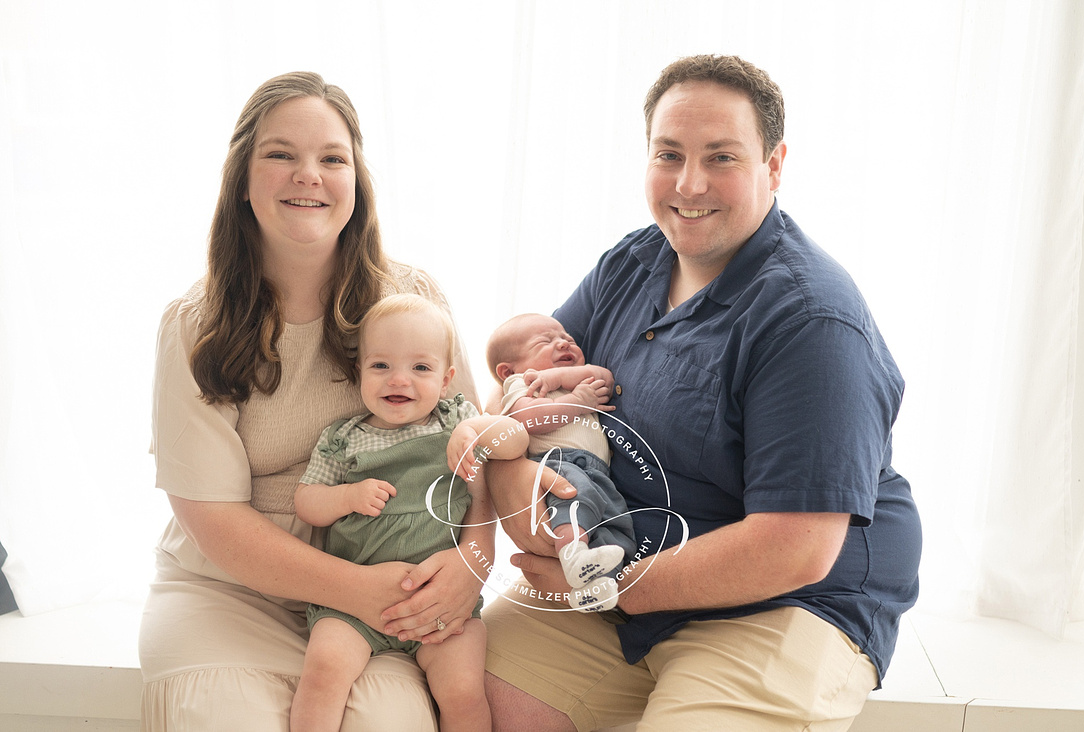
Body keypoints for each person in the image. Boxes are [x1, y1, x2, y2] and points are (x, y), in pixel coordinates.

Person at [481, 54, 922, 732]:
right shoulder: (633, 261)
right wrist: (518, 487)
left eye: (721, 157)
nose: (689, 183)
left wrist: (604, 587)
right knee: (460, 694)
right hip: (623, 567)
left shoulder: (812, 320)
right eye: (669, 154)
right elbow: (515, 390)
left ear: (773, 165)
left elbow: (795, 547)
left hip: (785, 602)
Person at [139, 72, 490, 732]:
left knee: (394, 724)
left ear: (356, 182)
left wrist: (474, 560)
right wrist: (362, 589)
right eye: (281, 155)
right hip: (229, 590)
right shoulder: (195, 324)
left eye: (332, 159)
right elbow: (212, 520)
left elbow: (474, 447)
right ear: (242, 179)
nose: (309, 175)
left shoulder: (412, 298)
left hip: (383, 583)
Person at [292, 293, 522, 732]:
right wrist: (346, 497)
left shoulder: (456, 420)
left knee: (464, 692)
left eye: (420, 368)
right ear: (359, 372)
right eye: (381, 366)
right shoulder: (345, 439)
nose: (400, 380)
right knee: (323, 673)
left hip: (443, 600)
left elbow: (515, 438)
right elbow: (307, 500)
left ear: (446, 377)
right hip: (351, 605)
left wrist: (476, 429)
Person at [484, 313, 635, 613]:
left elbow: (604, 376)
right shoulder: (521, 383)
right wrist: (576, 401)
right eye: (545, 341)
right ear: (507, 370)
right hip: (558, 464)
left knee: (615, 526)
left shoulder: (576, 379)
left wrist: (558, 378)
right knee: (574, 500)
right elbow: (527, 419)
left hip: (597, 472)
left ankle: (593, 588)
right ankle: (573, 554)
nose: (563, 342)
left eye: (568, 339)